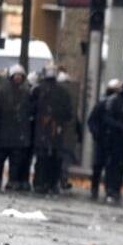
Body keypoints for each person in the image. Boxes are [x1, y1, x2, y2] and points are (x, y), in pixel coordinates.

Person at [0, 64, 32, 192]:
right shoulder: (3, 91)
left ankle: (13, 181)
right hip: (3, 131)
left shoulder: (25, 92)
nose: (18, 78)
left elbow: (27, 110)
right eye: (16, 75)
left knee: (16, 160)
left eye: (20, 75)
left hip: (17, 133)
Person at [31, 63, 72, 194]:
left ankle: (47, 183)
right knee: (45, 158)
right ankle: (45, 183)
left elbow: (67, 113)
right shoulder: (39, 90)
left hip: (53, 128)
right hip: (44, 128)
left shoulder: (60, 92)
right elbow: (32, 108)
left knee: (50, 158)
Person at [87, 78, 121, 200]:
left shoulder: (120, 106)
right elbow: (92, 121)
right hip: (102, 140)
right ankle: (95, 188)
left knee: (111, 167)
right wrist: (97, 134)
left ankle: (110, 190)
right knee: (98, 165)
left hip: (113, 141)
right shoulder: (102, 104)